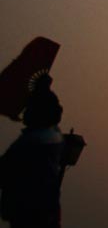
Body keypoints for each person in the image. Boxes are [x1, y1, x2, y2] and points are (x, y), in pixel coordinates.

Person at [0, 74, 65, 228]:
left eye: (28, 107)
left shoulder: (31, 144)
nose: (24, 111)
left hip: (28, 214)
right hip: (43, 214)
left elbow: (4, 170)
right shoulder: (52, 139)